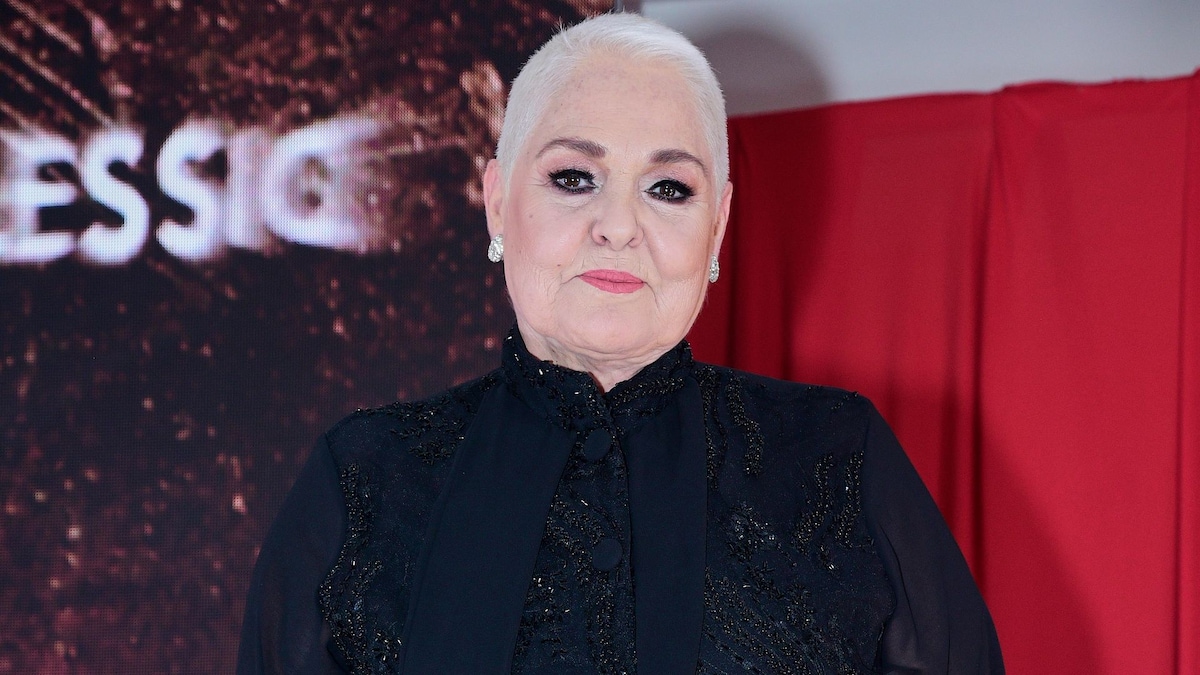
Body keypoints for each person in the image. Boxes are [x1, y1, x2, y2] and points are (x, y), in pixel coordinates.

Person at [237, 12, 1004, 674]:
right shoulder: (365, 481)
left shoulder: (837, 457)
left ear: (717, 228)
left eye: (668, 188)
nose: (618, 225)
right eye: (575, 177)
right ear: (498, 202)